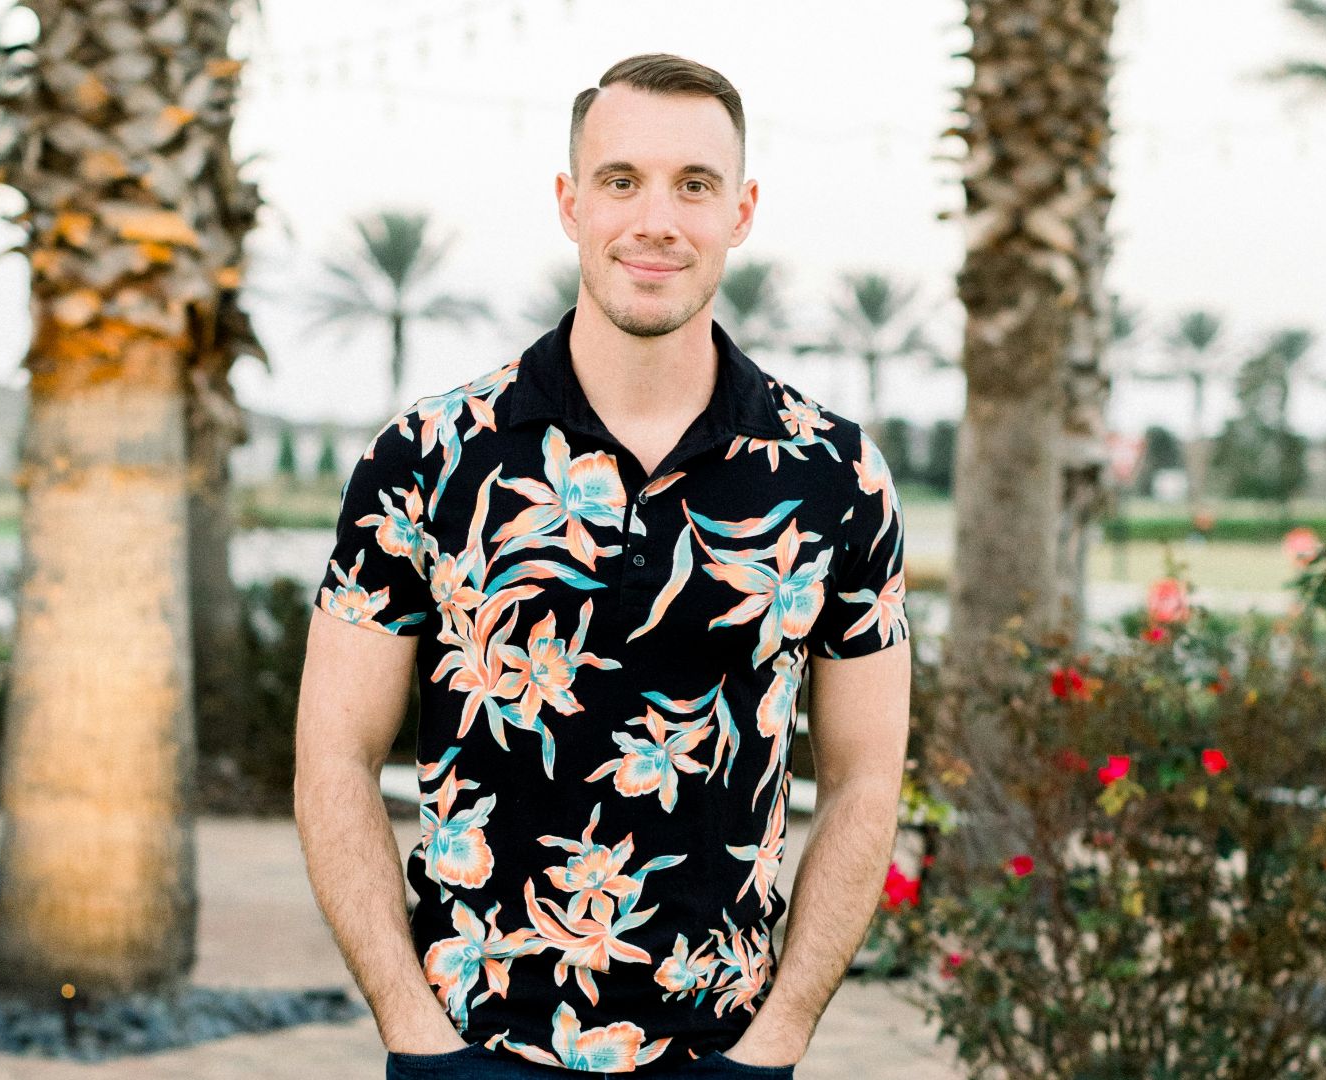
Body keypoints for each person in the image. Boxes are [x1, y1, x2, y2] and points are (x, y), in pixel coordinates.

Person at [295, 52, 913, 1079]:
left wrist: (779, 1040)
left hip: (723, 1054)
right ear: (570, 203)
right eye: (621, 180)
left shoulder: (835, 474)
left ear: (743, 211)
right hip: (470, 1048)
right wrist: (414, 1030)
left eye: (696, 185)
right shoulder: (428, 457)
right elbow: (332, 757)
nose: (657, 219)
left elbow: (862, 780)